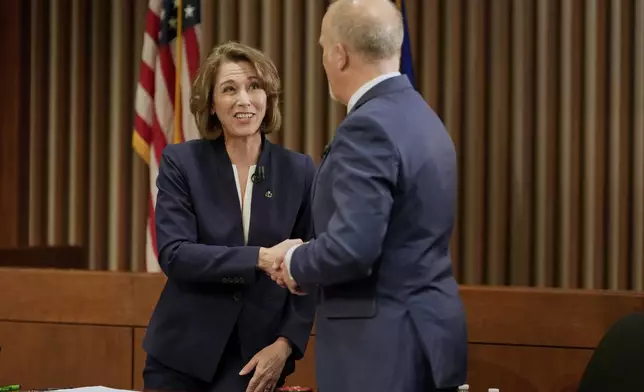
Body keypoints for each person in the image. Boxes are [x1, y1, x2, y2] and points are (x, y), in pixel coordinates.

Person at [270, 0, 467, 391]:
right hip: (430, 336)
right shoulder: (425, 119)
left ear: (340, 55)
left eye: (324, 48)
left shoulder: (367, 128)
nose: (324, 59)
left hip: (380, 351)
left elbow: (353, 248)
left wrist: (293, 261)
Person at [142, 41, 317, 392]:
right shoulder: (182, 163)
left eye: (254, 86)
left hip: (254, 360)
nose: (244, 100)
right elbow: (175, 254)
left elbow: (310, 270)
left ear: (268, 97)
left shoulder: (298, 170)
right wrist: (260, 259)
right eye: (229, 89)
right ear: (211, 102)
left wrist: (286, 345)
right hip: (180, 356)